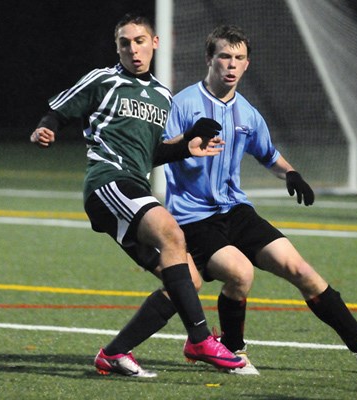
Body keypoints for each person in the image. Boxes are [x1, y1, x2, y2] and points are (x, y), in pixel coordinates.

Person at [98, 24, 357, 377]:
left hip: (236, 211)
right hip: (194, 219)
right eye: (224, 56)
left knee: (299, 268)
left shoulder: (248, 114)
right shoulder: (180, 104)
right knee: (239, 273)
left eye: (239, 58)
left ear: (247, 64)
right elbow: (153, 151)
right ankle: (233, 349)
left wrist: (291, 174)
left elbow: (268, 154)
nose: (231, 64)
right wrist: (186, 143)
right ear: (209, 59)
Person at [30, 14, 246, 378]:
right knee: (172, 233)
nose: (133, 49)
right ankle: (199, 338)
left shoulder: (162, 96)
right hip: (108, 183)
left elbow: (153, 152)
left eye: (140, 41)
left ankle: (114, 353)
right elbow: (58, 109)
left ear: (155, 43)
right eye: (125, 43)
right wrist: (45, 128)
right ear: (117, 48)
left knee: (188, 281)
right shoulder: (105, 80)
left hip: (133, 189)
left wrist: (187, 145)